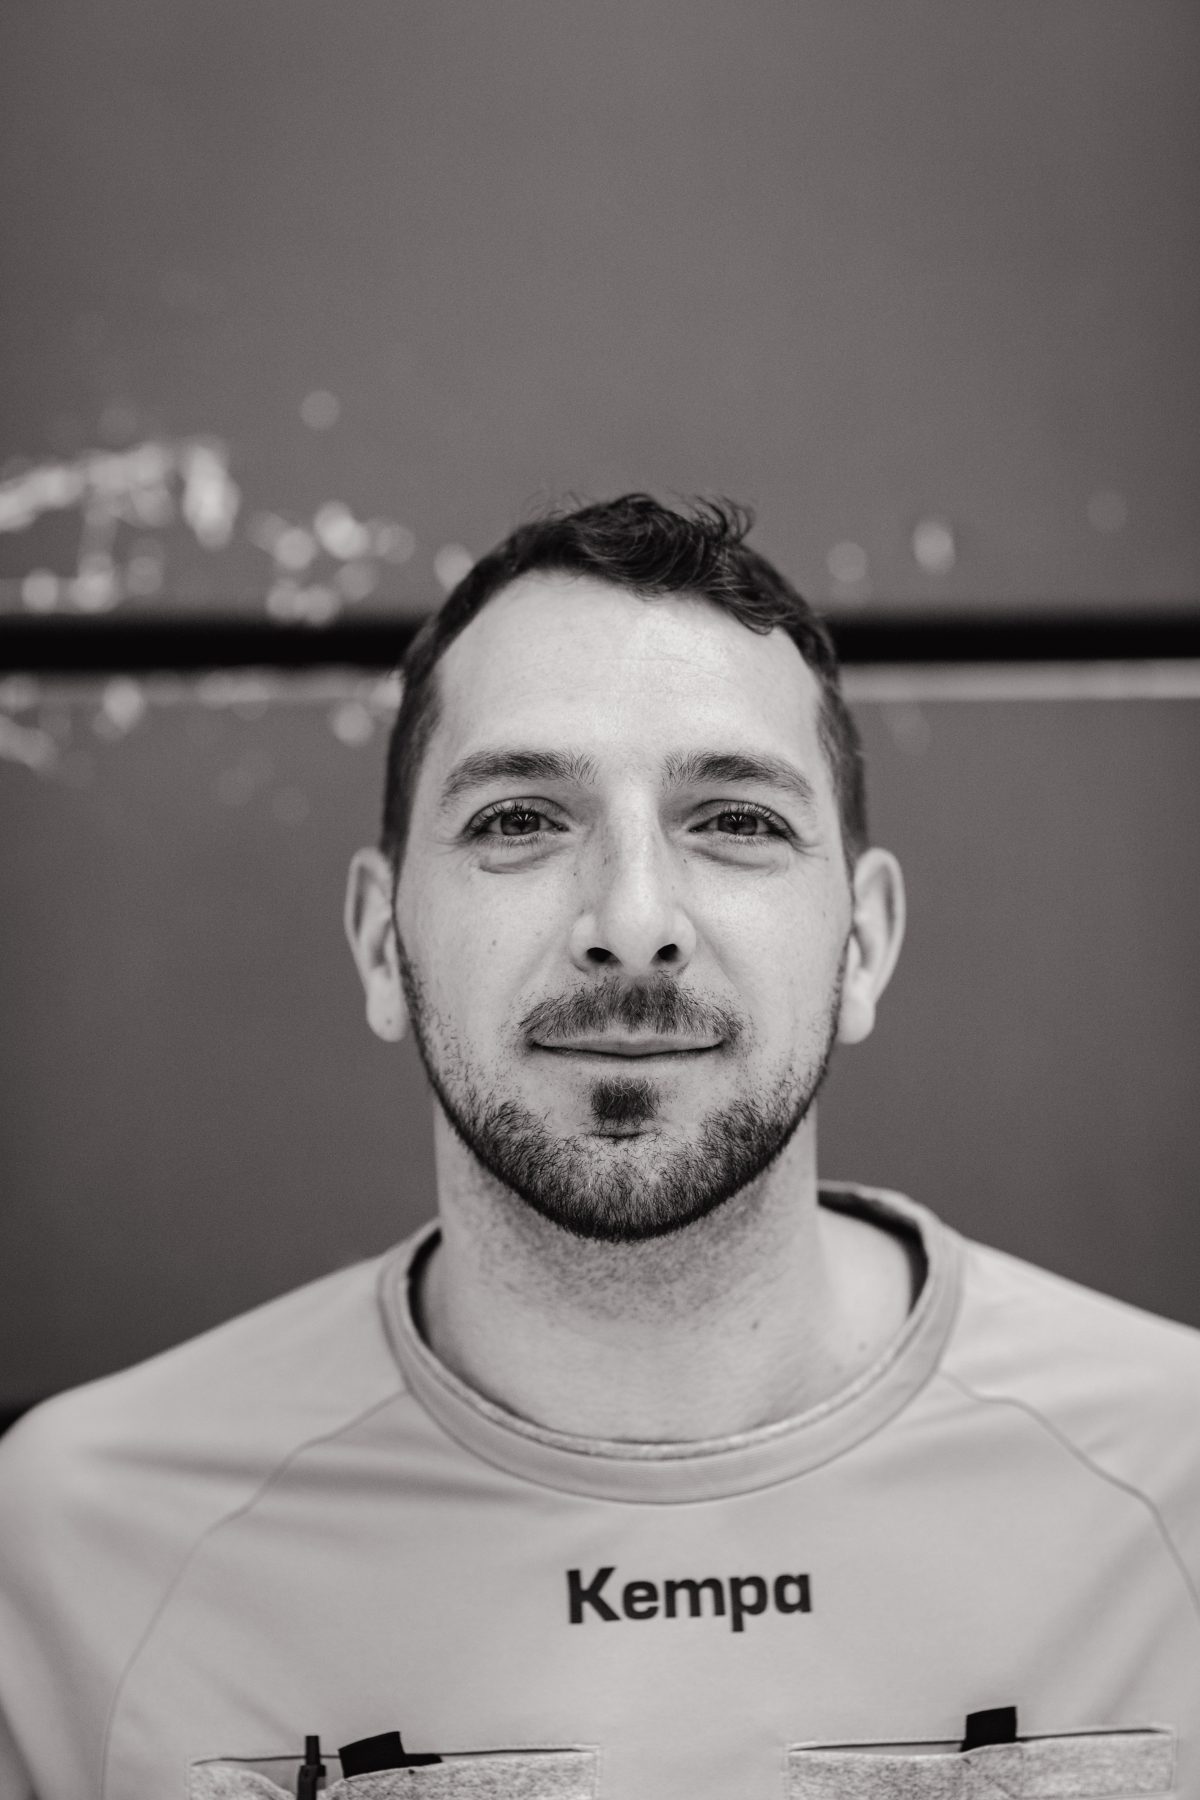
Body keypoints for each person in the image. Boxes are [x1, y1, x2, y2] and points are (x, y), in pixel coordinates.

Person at [0, 495, 1197, 1800]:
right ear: (382, 943)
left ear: (862, 945)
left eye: (735, 821)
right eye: (518, 820)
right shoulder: (80, 1545)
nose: (631, 921)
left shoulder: (1175, 1479)